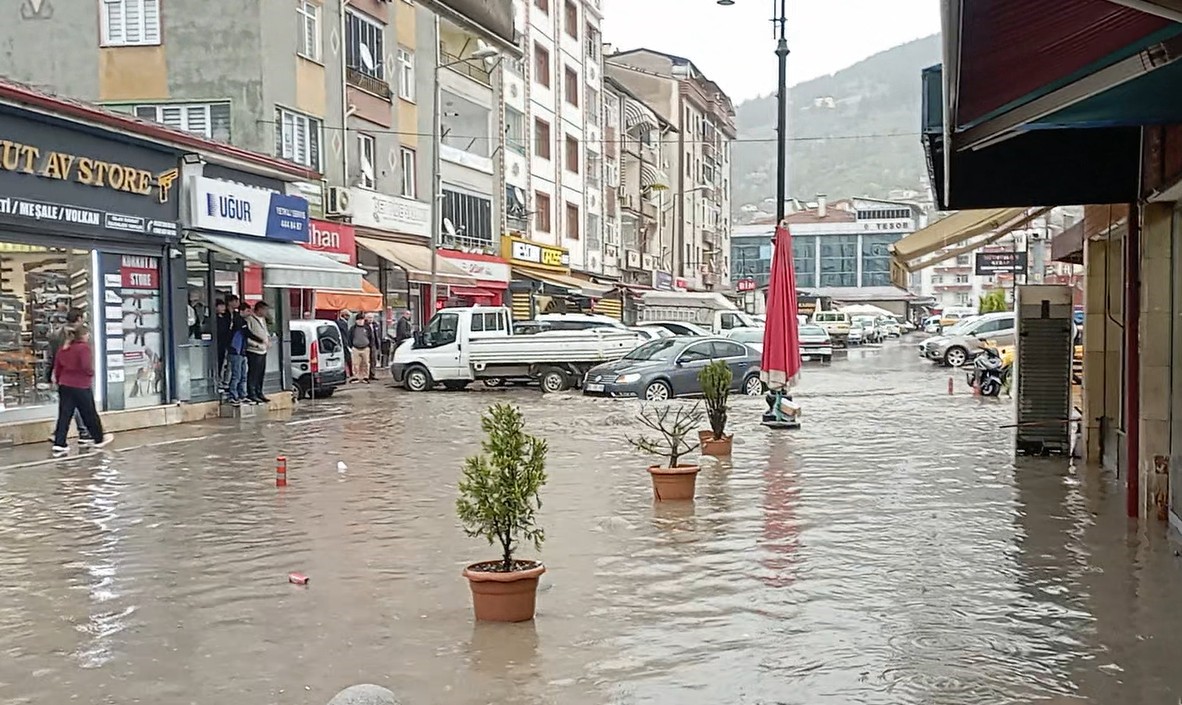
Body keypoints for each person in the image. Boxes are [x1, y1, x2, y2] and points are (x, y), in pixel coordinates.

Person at [50, 324, 112, 455]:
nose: (88, 336)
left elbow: (58, 367)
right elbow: (85, 366)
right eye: (87, 334)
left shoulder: (64, 349)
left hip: (65, 385)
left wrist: (60, 381)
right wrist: (91, 373)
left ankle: (59, 443)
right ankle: (98, 438)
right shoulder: (83, 348)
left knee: (64, 415)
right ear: (83, 335)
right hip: (81, 385)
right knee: (89, 413)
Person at [46, 308, 90, 443]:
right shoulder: (79, 334)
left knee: (67, 407)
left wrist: (50, 374)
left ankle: (62, 435)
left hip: (63, 376)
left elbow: (52, 356)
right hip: (76, 376)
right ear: (79, 318)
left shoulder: (56, 334)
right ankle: (83, 432)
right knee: (76, 405)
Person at [244, 301, 272, 404]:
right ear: (259, 309)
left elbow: (266, 332)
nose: (266, 312)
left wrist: (268, 341)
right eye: (265, 310)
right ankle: (252, 393)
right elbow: (247, 335)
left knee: (261, 373)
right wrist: (256, 344)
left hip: (263, 350)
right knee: (253, 373)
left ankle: (259, 392)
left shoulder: (263, 320)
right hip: (254, 350)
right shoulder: (250, 319)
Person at [225, 302, 251, 406]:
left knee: (243, 375)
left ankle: (242, 395)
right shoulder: (238, 322)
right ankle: (233, 395)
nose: (249, 313)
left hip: (242, 352)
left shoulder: (242, 321)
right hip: (236, 351)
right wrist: (260, 340)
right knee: (236, 375)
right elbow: (247, 333)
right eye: (247, 311)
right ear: (242, 311)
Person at [348, 313, 373, 383]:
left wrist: (370, 346)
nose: (360, 321)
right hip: (355, 348)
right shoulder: (353, 328)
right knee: (355, 364)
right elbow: (349, 338)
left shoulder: (367, 328)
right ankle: (356, 377)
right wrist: (350, 346)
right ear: (356, 321)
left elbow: (371, 337)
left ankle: (365, 377)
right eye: (359, 320)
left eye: (362, 319)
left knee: (366, 363)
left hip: (365, 348)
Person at [214, 298, 231, 391]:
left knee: (222, 363)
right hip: (216, 344)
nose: (223, 308)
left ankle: (220, 380)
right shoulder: (213, 319)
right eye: (221, 306)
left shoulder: (224, 318)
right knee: (217, 363)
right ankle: (216, 380)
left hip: (224, 344)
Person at [335, 309, 352, 378]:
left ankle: (349, 373)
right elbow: (344, 335)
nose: (349, 317)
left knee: (347, 359)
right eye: (348, 316)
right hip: (343, 344)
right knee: (347, 359)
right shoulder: (341, 323)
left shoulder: (343, 323)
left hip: (344, 343)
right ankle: (348, 373)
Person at [364, 312, 382, 378]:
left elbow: (378, 335)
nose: (370, 319)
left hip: (374, 344)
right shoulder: (364, 326)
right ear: (366, 318)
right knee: (367, 360)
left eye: (371, 318)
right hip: (367, 345)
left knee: (374, 360)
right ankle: (366, 374)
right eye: (369, 317)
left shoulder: (375, 325)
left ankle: (373, 374)